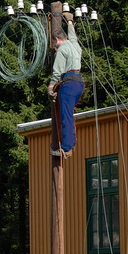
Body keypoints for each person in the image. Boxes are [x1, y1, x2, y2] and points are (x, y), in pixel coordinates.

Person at [47, 13, 84, 157]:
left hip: (69, 84)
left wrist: (50, 87)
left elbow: (57, 72)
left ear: (57, 39)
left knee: (66, 116)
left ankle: (67, 148)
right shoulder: (74, 44)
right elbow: (73, 36)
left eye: (54, 43)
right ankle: (68, 145)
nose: (55, 47)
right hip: (79, 83)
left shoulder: (62, 50)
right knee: (69, 114)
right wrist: (69, 21)